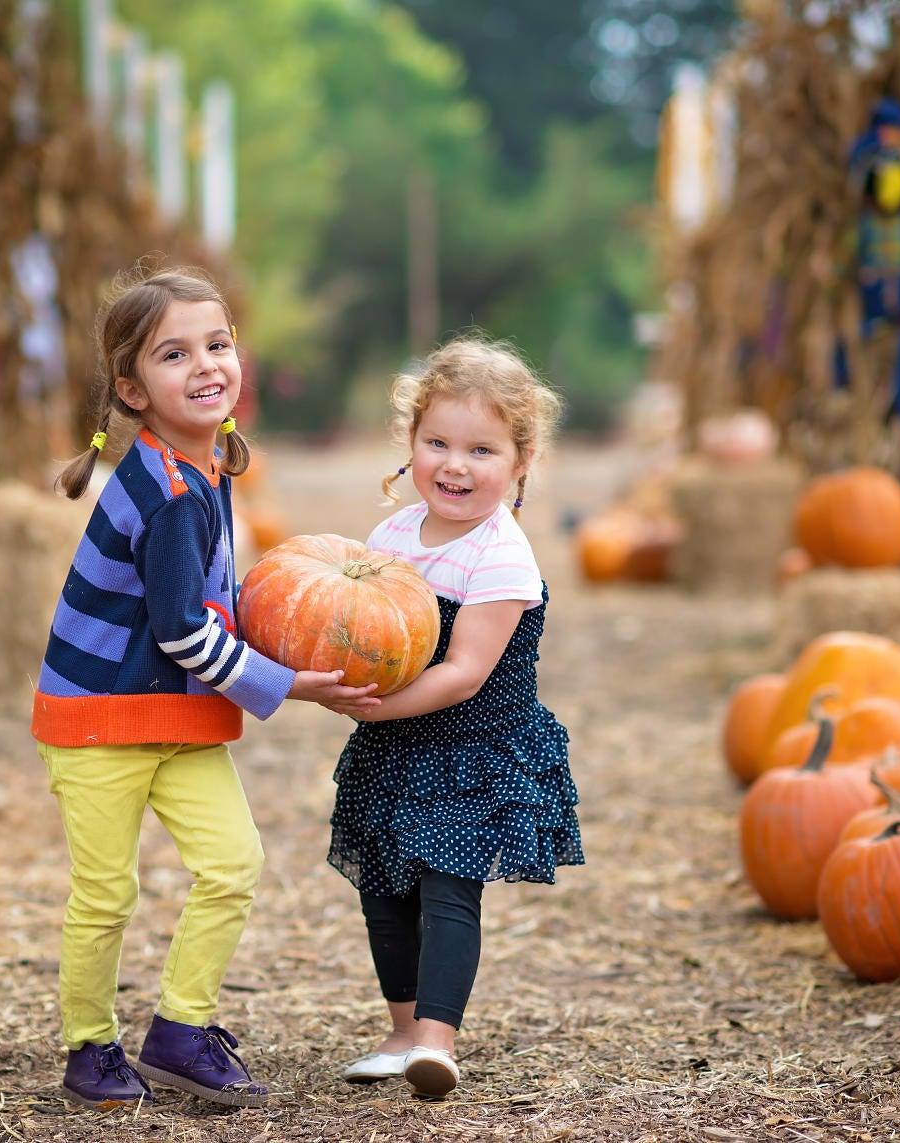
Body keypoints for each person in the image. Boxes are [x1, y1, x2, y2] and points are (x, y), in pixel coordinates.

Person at [31, 265, 378, 1110]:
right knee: (108, 892)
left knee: (233, 862)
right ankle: (89, 1045)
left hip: (172, 710)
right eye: (174, 353)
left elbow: (204, 605)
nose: (206, 364)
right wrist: (287, 681)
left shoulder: (203, 468)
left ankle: (180, 1030)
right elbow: (185, 628)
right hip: (99, 716)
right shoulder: (171, 493)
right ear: (131, 388)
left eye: (217, 344)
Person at [321, 337, 585, 1099]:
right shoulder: (392, 538)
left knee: (446, 888)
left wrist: (369, 704)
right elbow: (367, 630)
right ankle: (401, 1030)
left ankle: (437, 1040)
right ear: (410, 444)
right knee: (383, 888)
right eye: (436, 441)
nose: (455, 464)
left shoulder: (500, 555)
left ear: (521, 462)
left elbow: (464, 673)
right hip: (395, 746)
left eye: (481, 448)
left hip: (473, 748)